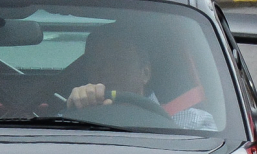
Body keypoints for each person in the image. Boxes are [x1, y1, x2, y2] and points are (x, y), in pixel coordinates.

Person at [65, 25, 216, 130]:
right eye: (96, 62)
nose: (106, 70)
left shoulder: (195, 124)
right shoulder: (69, 120)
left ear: (145, 73)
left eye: (119, 61)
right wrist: (77, 113)